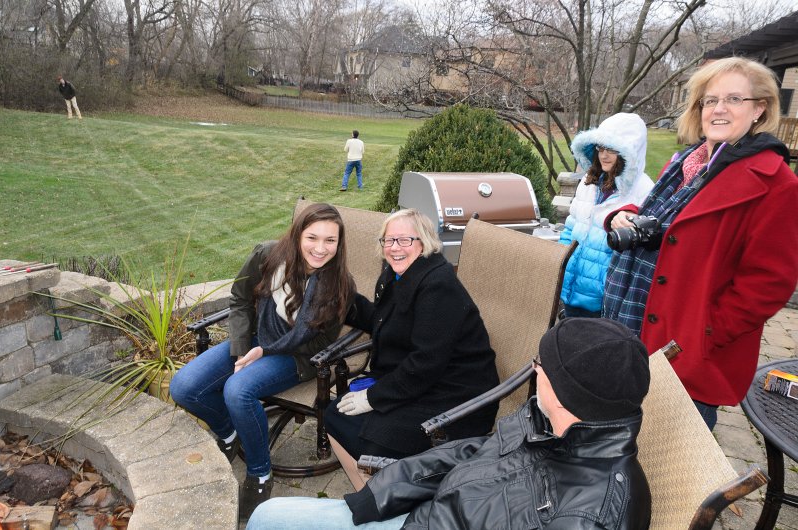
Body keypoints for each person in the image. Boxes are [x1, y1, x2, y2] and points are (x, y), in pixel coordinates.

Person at [247, 317, 653, 530]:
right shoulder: (545, 420)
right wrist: (382, 494)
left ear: (565, 392)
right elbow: (470, 451)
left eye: (541, 364)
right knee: (270, 516)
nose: (534, 368)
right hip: (424, 513)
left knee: (268, 521)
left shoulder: (590, 516)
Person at [602, 56, 798, 430]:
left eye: (734, 99)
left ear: (759, 109)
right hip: (629, 326)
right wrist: (622, 215)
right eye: (710, 100)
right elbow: (665, 221)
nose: (719, 109)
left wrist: (704, 334)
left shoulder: (776, 184)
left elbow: (769, 284)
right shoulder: (687, 164)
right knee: (613, 446)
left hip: (684, 354)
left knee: (666, 458)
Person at [169, 203, 356, 520]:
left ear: (339, 244)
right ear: (297, 235)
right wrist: (243, 348)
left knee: (237, 391)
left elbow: (322, 343)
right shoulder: (267, 256)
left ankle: (259, 473)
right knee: (184, 387)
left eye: (330, 240)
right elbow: (240, 299)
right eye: (312, 237)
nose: (320, 248)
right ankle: (229, 432)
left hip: (297, 355)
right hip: (256, 337)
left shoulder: (340, 285)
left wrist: (267, 352)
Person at [323, 209, 500, 471]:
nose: (395, 247)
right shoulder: (398, 274)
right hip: (423, 383)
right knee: (336, 414)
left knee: (365, 437)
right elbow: (383, 321)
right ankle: (373, 486)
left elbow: (425, 363)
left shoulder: (438, 286)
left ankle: (391, 486)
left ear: (424, 242)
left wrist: (373, 397)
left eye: (405, 240)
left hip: (458, 399)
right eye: (389, 240)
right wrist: (343, 301)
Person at [559, 113, 654, 318]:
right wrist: (558, 263)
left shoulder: (644, 189)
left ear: (630, 151)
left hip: (603, 297)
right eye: (600, 148)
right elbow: (571, 226)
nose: (604, 155)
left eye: (612, 149)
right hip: (571, 286)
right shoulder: (591, 181)